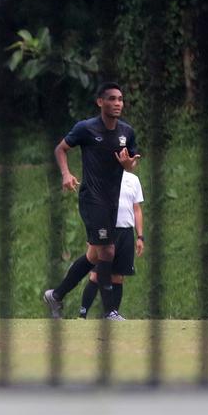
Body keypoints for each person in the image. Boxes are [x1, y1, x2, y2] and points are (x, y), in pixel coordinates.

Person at [46, 82, 139, 321]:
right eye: (112, 99)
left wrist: (129, 166)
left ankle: (56, 295)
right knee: (107, 249)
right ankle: (110, 312)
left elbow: (132, 161)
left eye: (120, 99)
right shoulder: (86, 128)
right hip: (91, 198)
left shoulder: (126, 132)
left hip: (112, 201)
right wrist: (66, 174)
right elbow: (60, 149)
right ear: (100, 102)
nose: (117, 103)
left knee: (95, 256)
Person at [47, 171, 145, 319]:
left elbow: (136, 209)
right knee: (94, 271)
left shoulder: (133, 179)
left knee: (117, 276)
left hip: (125, 231)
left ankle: (111, 314)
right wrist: (91, 229)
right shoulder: (102, 174)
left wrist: (140, 236)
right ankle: (81, 311)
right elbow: (90, 203)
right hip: (104, 228)